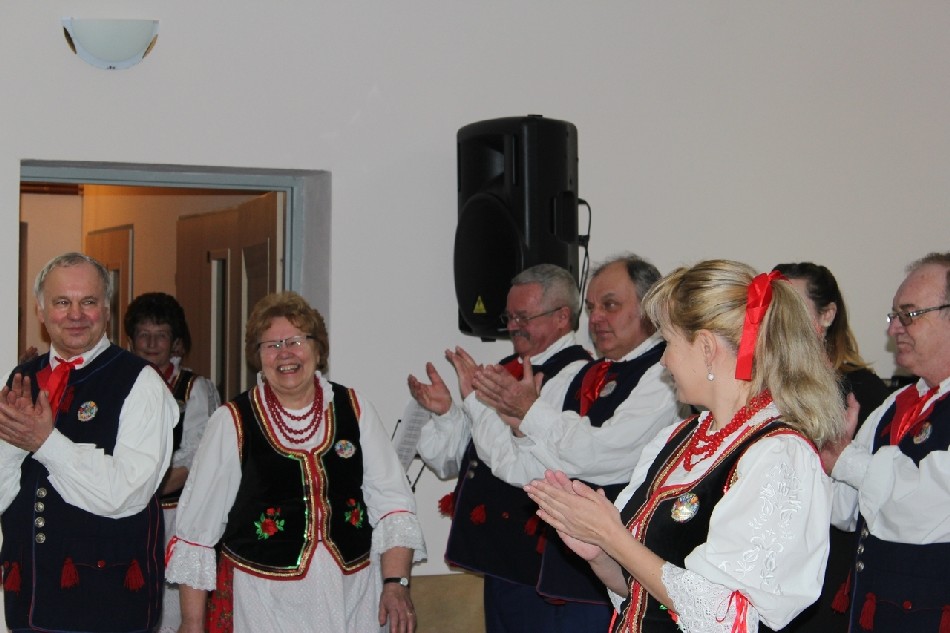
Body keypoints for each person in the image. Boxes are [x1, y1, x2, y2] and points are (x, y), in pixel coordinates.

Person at [525, 259, 844, 632]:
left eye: (669, 342)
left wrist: (612, 535)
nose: (663, 360)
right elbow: (649, 596)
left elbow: (723, 615)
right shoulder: (678, 438)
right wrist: (599, 553)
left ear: (706, 347)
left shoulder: (778, 455)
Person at [166, 291, 426, 633]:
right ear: (258, 357)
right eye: (271, 345)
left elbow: (394, 504)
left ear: (318, 350)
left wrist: (396, 583)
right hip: (265, 600)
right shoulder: (232, 422)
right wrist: (192, 622)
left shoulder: (354, 408)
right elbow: (197, 530)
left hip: (353, 594)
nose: (284, 353)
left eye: (296, 341)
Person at [466, 254, 681, 623]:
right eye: (592, 307)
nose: (595, 319)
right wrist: (519, 425)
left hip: (624, 571)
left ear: (649, 309)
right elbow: (543, 466)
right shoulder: (595, 372)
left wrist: (529, 412)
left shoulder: (661, 375)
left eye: (610, 305)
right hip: (568, 565)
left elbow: (600, 455)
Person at [0, 252, 179, 633]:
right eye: (62, 302)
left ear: (107, 310)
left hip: (106, 606)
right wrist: (14, 445)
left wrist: (45, 442)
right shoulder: (21, 378)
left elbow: (126, 493)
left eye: (89, 301)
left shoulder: (141, 383)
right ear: (41, 311)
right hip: (28, 604)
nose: (75, 314)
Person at [410, 263, 593, 632]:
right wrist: (447, 414)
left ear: (562, 317)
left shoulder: (580, 378)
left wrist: (476, 403)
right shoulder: (506, 368)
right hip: (499, 559)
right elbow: (456, 459)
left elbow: (524, 465)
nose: (512, 326)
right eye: (509, 316)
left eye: (523, 317)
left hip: (541, 568)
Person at [822, 252, 950, 632]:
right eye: (894, 316)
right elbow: (847, 512)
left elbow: (928, 503)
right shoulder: (898, 403)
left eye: (909, 315)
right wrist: (827, 453)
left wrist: (846, 460)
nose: (894, 329)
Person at [773, 262, 891, 632]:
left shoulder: (864, 392)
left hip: (828, 567)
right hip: (769, 556)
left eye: (793, 306)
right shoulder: (761, 387)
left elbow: (866, 501)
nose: (781, 318)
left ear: (827, 314)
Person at [123, 292, 220, 633]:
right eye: (143, 334)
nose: (151, 344)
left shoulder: (193, 389)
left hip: (172, 515)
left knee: (170, 605)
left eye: (161, 335)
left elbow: (196, 457)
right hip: (124, 513)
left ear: (175, 341)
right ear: (131, 340)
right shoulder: (117, 383)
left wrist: (138, 489)